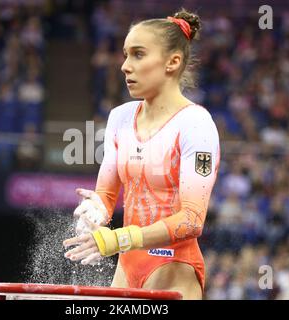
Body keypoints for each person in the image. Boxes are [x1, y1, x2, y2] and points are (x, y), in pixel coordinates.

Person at [63, 8, 220, 300]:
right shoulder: (119, 118)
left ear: (172, 62)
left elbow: (192, 220)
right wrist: (96, 212)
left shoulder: (195, 124)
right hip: (127, 266)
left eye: (137, 54)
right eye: (125, 54)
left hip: (173, 267)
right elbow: (107, 195)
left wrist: (121, 238)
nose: (124, 66)